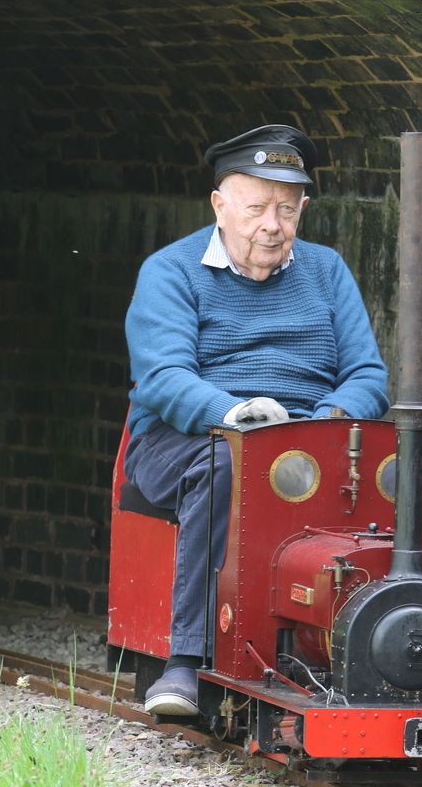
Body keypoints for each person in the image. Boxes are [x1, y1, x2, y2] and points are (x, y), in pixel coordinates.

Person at [122, 124, 390, 715]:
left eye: (287, 210)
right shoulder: (170, 272)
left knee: (401, 471)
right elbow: (163, 378)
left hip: (307, 439)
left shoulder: (327, 271)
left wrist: (326, 424)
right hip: (188, 436)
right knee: (225, 467)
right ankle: (184, 663)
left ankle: (380, 649)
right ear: (220, 205)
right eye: (257, 208)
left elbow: (369, 374)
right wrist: (233, 414)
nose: (272, 224)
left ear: (303, 209)